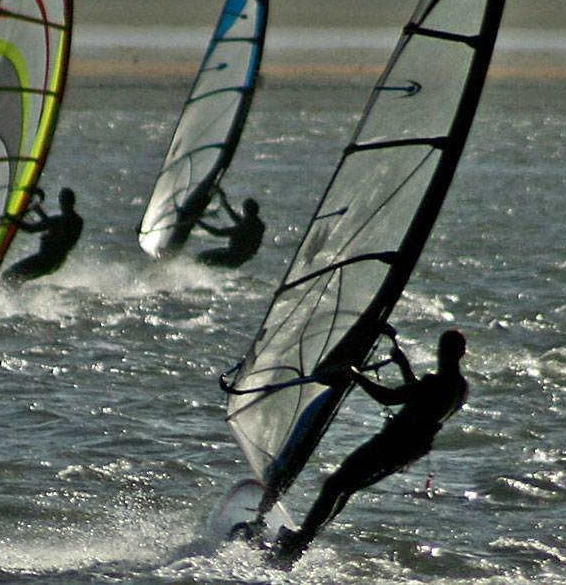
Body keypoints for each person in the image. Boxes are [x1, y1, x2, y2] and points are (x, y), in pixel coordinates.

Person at [268, 327, 469, 568]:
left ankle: (300, 541)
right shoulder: (459, 387)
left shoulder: (437, 383)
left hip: (391, 445)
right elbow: (420, 396)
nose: (441, 355)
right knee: (346, 487)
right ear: (462, 353)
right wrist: (403, 365)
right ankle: (304, 540)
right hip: (407, 451)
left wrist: (355, 374)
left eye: (443, 351)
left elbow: (390, 398)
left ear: (443, 352)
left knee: (335, 485)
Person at [0, 187, 83, 287]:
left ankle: (4, 301)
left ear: (61, 202)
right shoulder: (78, 221)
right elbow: (54, 228)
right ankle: (16, 300)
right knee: (18, 279)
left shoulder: (59, 221)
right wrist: (39, 211)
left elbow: (31, 229)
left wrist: (10, 218)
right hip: (56, 263)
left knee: (7, 276)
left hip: (43, 261)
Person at [195, 188, 264, 267]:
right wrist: (223, 199)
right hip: (238, 258)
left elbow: (218, 232)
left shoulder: (245, 226)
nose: (243, 212)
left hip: (231, 258)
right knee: (204, 256)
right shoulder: (256, 224)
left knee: (200, 258)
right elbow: (234, 216)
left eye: (244, 210)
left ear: (247, 211)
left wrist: (198, 222)